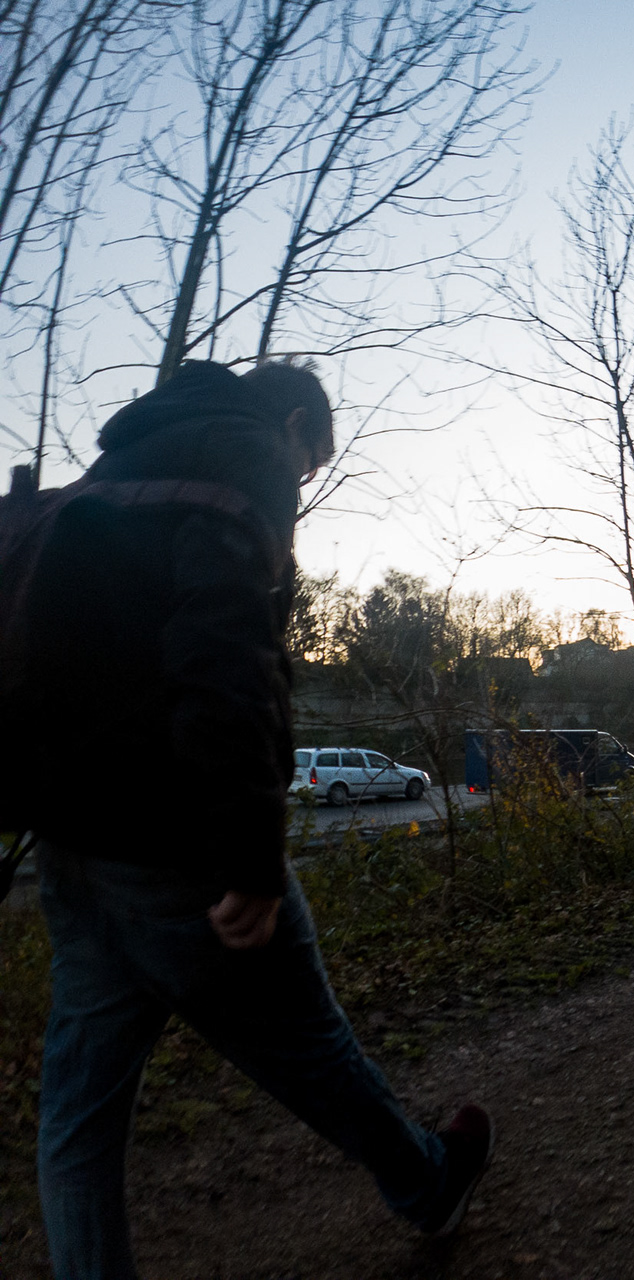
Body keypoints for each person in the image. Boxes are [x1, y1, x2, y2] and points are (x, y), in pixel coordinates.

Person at [6, 360, 493, 1280]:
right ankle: (429, 1184)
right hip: (176, 842)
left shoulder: (118, 468)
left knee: (77, 1119)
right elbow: (223, 655)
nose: (303, 481)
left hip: (72, 840)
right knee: (309, 1047)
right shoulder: (248, 454)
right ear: (299, 425)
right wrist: (250, 856)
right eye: (312, 463)